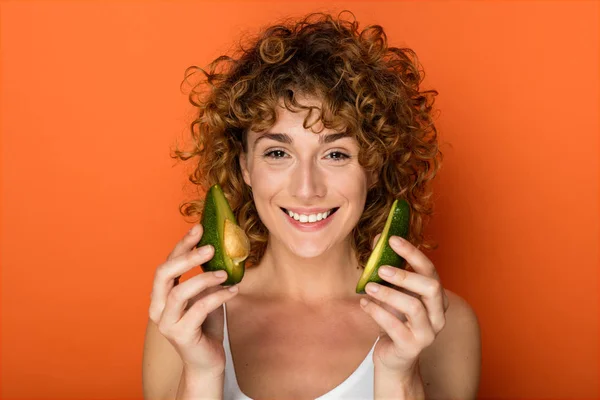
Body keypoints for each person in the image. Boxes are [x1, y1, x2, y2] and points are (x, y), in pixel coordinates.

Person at [142, 10, 481, 400]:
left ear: (373, 167)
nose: (306, 189)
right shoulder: (183, 321)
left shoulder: (445, 325)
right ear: (244, 167)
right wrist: (202, 374)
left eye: (335, 154)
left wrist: (398, 377)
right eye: (277, 153)